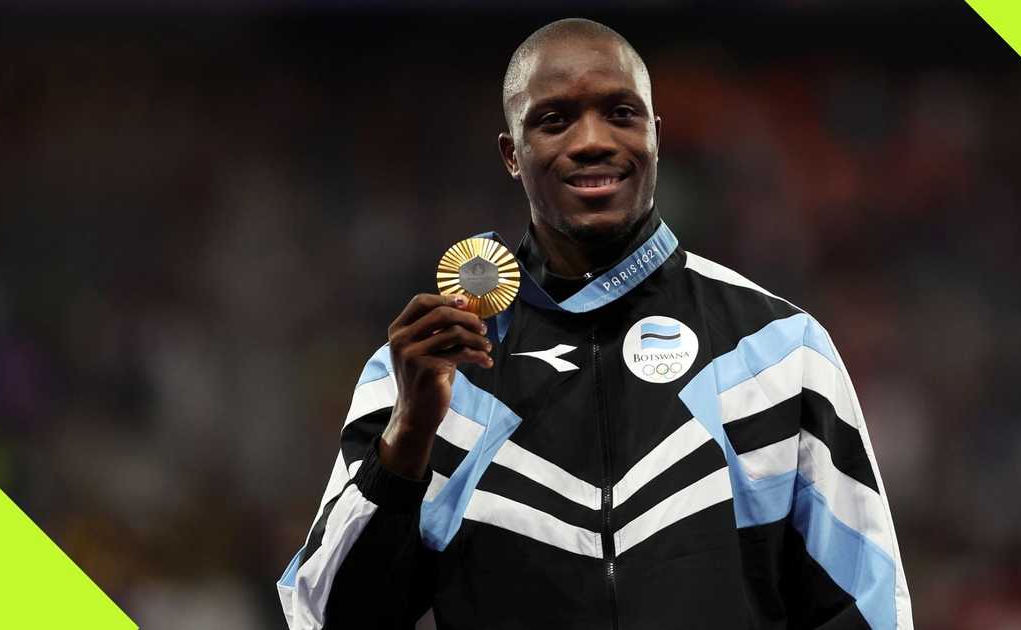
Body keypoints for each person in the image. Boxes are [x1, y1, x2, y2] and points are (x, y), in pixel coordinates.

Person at [277, 18, 912, 630]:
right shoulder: (427, 371)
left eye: (621, 113)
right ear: (511, 152)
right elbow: (330, 616)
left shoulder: (778, 352)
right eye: (554, 120)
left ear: (656, 135)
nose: (591, 141)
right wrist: (410, 433)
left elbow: (865, 607)